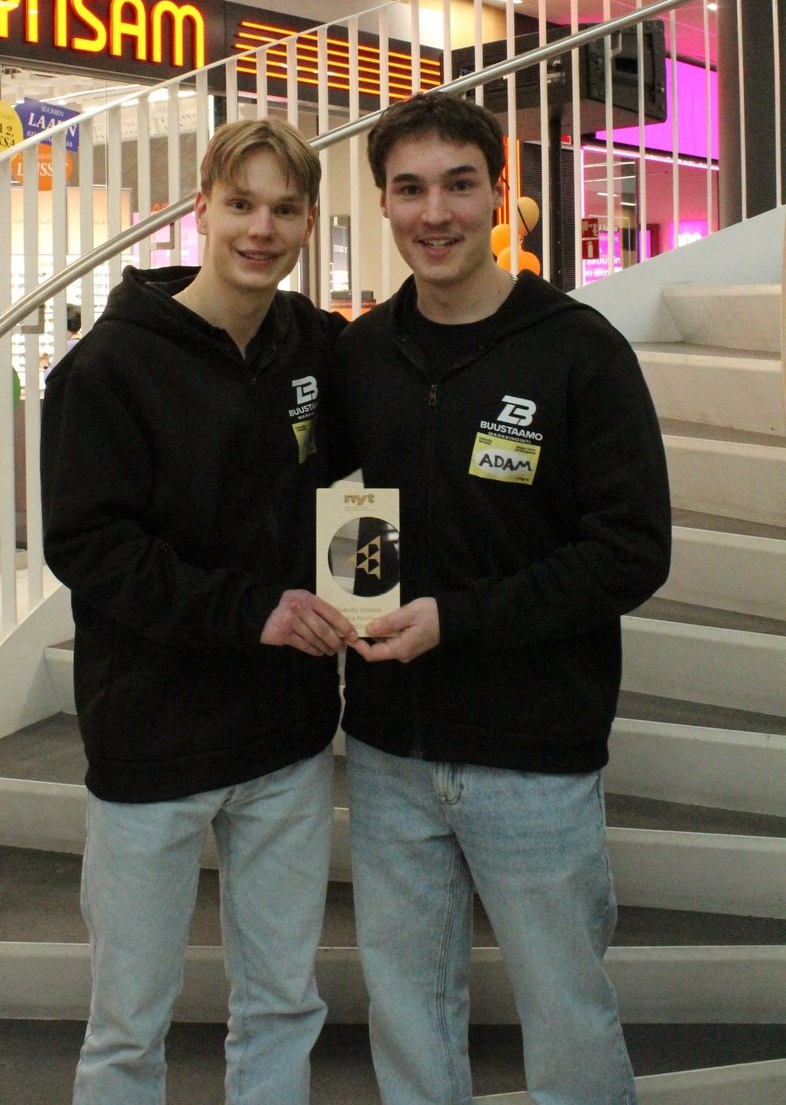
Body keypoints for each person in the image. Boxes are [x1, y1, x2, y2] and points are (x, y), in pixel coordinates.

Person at [333, 91, 672, 1105]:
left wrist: (460, 619)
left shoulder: (579, 350)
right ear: (384, 203)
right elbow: (345, 515)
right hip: (390, 748)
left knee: (566, 1008)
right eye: (410, 189)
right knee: (406, 1006)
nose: (434, 213)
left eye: (458, 185)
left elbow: (630, 550)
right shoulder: (362, 353)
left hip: (533, 754)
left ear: (498, 194)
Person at [40, 117, 355, 1105]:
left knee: (282, 1005)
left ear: (309, 222)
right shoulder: (108, 367)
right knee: (128, 1026)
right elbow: (90, 547)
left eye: (284, 209)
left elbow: (360, 481)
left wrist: (362, 592)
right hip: (153, 745)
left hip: (287, 738)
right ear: (200, 210)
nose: (261, 229)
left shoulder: (316, 345)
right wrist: (253, 611)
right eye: (241, 204)